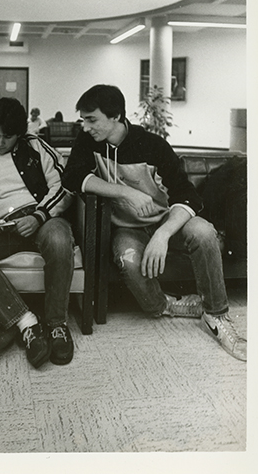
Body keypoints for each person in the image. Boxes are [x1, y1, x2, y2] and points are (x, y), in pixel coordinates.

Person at [62, 84, 247, 362]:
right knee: (127, 259)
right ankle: (167, 306)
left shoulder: (153, 145)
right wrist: (126, 191)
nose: (85, 127)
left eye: (92, 120)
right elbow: (72, 178)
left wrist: (162, 235)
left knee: (204, 232)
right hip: (128, 230)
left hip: (165, 222)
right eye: (83, 120)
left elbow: (189, 198)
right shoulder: (88, 142)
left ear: (115, 117)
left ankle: (216, 315)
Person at [0, 97, 76, 368]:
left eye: (6, 137)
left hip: (41, 217)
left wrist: (39, 215)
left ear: (19, 134)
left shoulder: (37, 147)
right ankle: (26, 322)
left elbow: (63, 187)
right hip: (2, 226)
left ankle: (56, 324)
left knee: (58, 239)